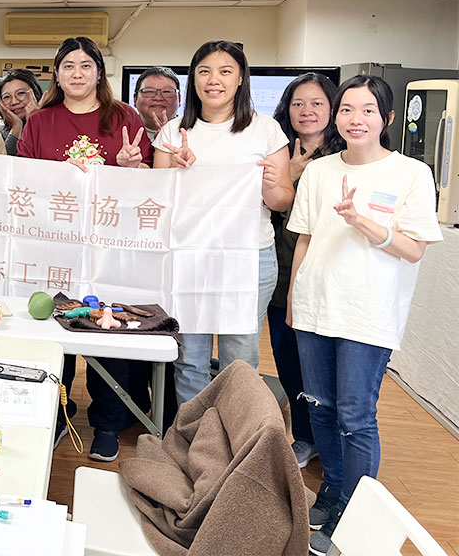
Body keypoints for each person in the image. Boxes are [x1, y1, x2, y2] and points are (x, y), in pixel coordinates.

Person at [287, 75, 442, 556]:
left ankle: (354, 512)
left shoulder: (410, 173)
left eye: (368, 110)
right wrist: (293, 299)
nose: (356, 119)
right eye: (347, 109)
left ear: (387, 118)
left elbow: (414, 250)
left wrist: (363, 223)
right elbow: (305, 238)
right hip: (315, 307)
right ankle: (334, 490)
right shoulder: (319, 170)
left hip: (368, 313)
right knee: (320, 406)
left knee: (355, 415)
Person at [17, 37, 153, 463]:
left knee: (104, 324)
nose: (77, 73)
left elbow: (150, 183)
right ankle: (57, 414)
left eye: (86, 65)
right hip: (54, 242)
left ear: (99, 73)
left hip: (110, 244)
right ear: (57, 75)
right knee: (55, 328)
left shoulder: (124, 117)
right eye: (68, 66)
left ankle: (108, 422)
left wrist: (131, 167)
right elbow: (23, 180)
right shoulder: (40, 121)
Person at [153, 40, 294, 407]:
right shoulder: (172, 133)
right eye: (204, 71)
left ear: (241, 79)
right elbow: (157, 203)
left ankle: (234, 434)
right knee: (189, 359)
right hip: (188, 256)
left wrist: (269, 186)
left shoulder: (265, 130)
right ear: (193, 79)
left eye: (225, 71)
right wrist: (174, 171)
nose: (213, 80)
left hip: (248, 256)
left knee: (240, 360)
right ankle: (195, 434)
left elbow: (282, 200)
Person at [270, 72, 337, 470]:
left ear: (332, 109)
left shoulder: (347, 155)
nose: (306, 111)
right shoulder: (276, 150)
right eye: (298, 103)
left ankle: (334, 441)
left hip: (329, 276)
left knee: (327, 367)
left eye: (316, 103)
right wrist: (288, 175)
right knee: (289, 361)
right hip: (282, 275)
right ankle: (305, 437)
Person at [0, 69, 43, 155]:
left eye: (21, 93)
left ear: (36, 95)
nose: (14, 102)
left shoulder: (52, 128)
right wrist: (16, 127)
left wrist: (34, 123)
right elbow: (5, 161)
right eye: (7, 97)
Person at [133, 66, 181, 142]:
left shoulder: (193, 132)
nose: (158, 98)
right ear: (135, 99)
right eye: (149, 91)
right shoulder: (120, 131)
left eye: (167, 91)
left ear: (179, 99)